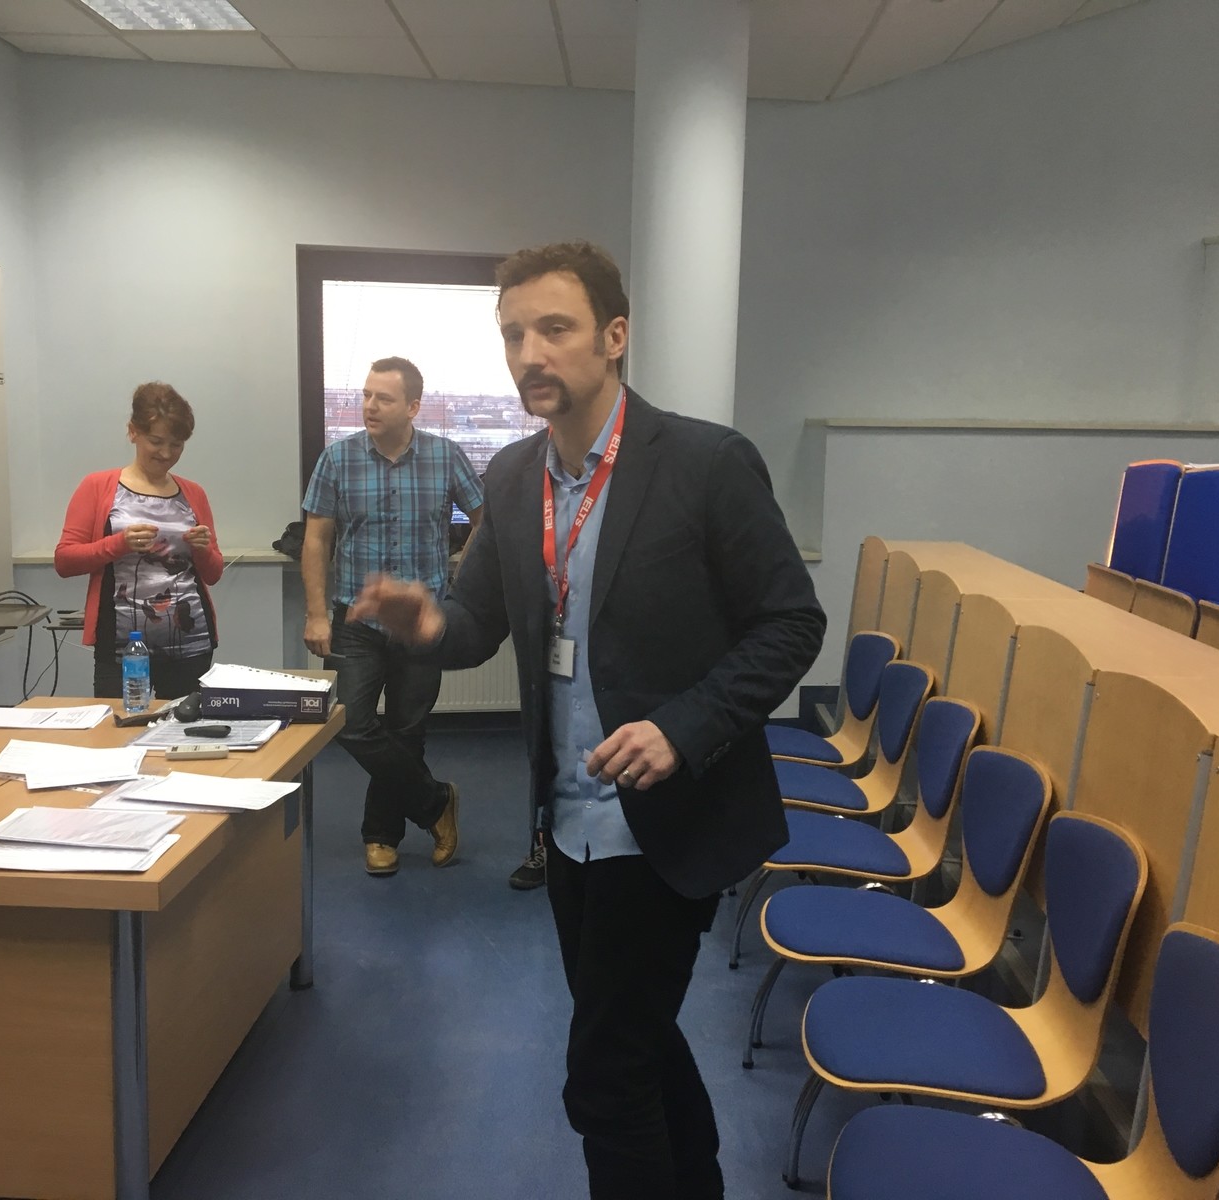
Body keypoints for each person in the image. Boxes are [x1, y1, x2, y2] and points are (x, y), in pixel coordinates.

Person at [351, 242, 826, 1199]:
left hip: (667, 823)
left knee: (604, 1077)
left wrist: (682, 726)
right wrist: (429, 625)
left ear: (613, 337)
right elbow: (478, 623)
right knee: (636, 1041)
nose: (531, 353)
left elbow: (791, 624)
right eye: (513, 334)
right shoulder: (512, 476)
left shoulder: (705, 463)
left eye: (555, 329)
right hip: (566, 823)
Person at [301, 356, 484, 877]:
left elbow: (485, 520)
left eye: (383, 397)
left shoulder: (446, 456)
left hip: (420, 622)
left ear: (413, 407)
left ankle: (381, 836)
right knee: (349, 722)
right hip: (355, 619)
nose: (370, 405)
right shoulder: (337, 458)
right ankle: (435, 801)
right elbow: (316, 540)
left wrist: (460, 581)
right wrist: (316, 614)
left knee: (407, 730)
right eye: (365, 395)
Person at [55, 382, 224, 700]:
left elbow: (213, 574)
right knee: (119, 726)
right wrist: (118, 544)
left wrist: (202, 550)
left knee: (186, 726)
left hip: (191, 644)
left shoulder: (193, 493)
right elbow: (64, 561)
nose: (166, 454)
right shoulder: (97, 486)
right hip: (121, 647)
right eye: (156, 442)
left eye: (176, 445)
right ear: (133, 432)